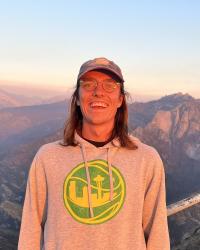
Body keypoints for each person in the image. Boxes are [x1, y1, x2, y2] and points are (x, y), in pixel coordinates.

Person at [18, 57, 170, 250]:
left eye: (109, 85)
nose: (98, 92)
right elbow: (30, 231)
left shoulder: (146, 159)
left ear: (120, 100)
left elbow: (157, 235)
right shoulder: (47, 157)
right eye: (88, 84)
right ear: (77, 99)